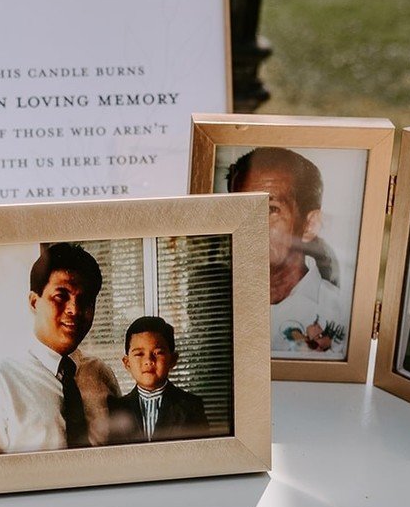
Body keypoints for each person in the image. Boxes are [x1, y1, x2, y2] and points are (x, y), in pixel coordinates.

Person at [0, 242, 121, 453]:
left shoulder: (101, 374)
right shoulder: (0, 379)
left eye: (85, 300)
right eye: (61, 296)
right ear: (34, 303)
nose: (74, 309)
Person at [227, 147, 348, 358]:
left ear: (309, 225)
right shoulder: (214, 306)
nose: (250, 225)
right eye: (241, 209)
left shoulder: (341, 314)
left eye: (271, 209)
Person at [106, 316, 209, 444]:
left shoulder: (191, 406)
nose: (148, 361)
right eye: (139, 354)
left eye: (158, 353)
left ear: (172, 360)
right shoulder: (116, 409)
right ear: (127, 363)